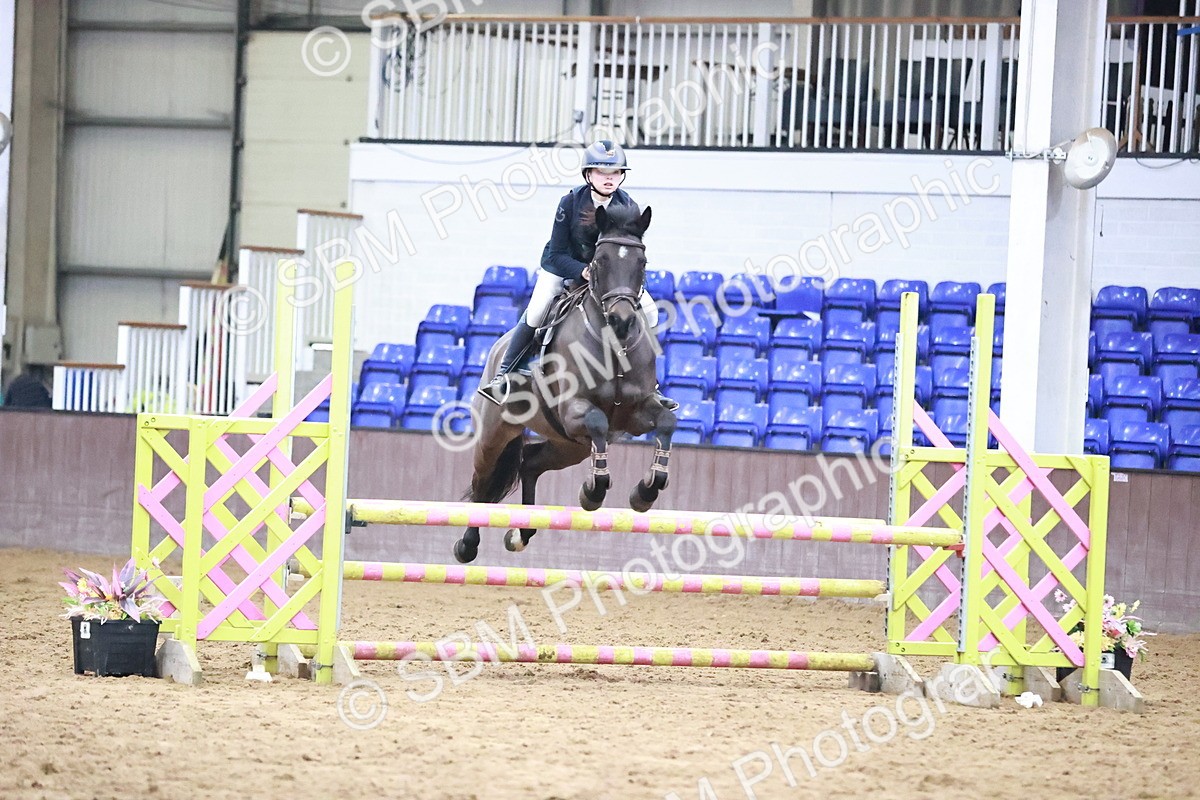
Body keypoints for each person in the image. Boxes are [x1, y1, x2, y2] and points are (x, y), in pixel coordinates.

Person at [478, 139, 669, 407]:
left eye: (614, 173)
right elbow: (556, 253)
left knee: (650, 312)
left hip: (610, 280)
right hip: (564, 267)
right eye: (602, 172)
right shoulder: (570, 202)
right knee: (537, 310)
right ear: (588, 174)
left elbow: (631, 253)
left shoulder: (629, 206)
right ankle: (504, 375)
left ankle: (650, 385)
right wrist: (583, 270)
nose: (609, 179)